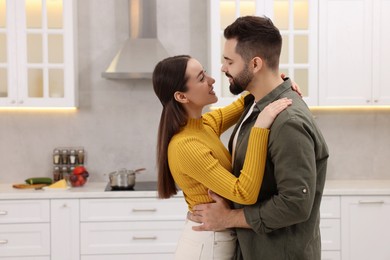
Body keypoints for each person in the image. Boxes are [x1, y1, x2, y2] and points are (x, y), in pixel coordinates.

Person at [190, 16, 329, 260]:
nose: (223, 69)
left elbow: (295, 204)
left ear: (255, 64)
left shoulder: (288, 122)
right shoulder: (256, 106)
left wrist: (228, 218)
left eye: (229, 61)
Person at [152, 55, 292, 259]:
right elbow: (244, 192)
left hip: (214, 238)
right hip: (207, 245)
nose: (212, 79)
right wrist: (260, 127)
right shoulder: (186, 146)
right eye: (201, 78)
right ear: (182, 96)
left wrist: (280, 84)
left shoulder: (204, 125)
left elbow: (244, 102)